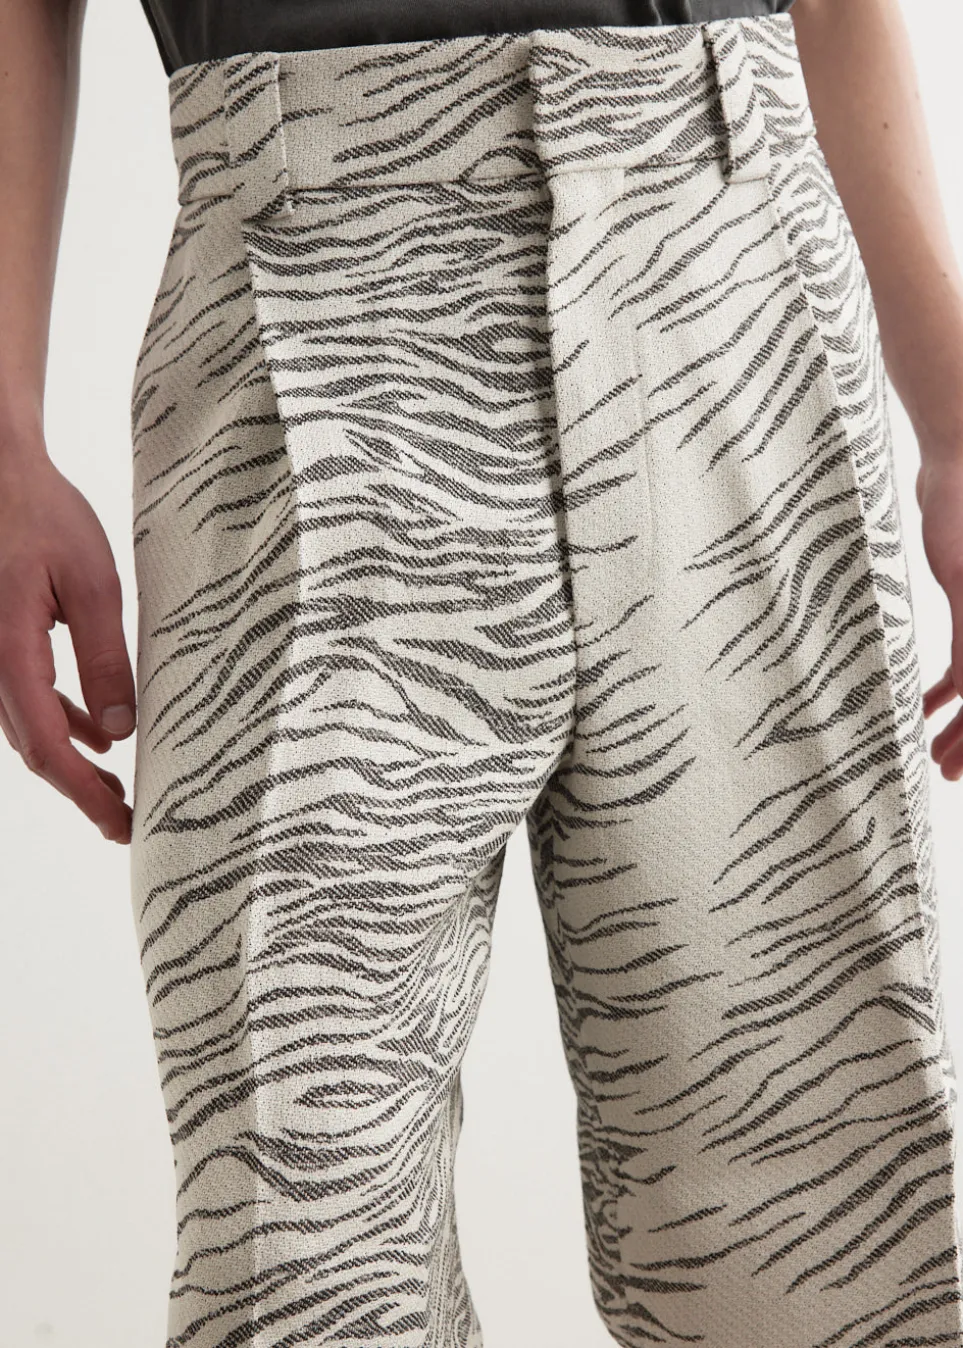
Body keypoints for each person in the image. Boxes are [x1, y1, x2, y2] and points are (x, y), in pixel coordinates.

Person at [2, 0, 962, 1344]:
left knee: (826, 1233)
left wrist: (955, 420)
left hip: (724, 280)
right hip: (301, 276)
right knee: (300, 1256)